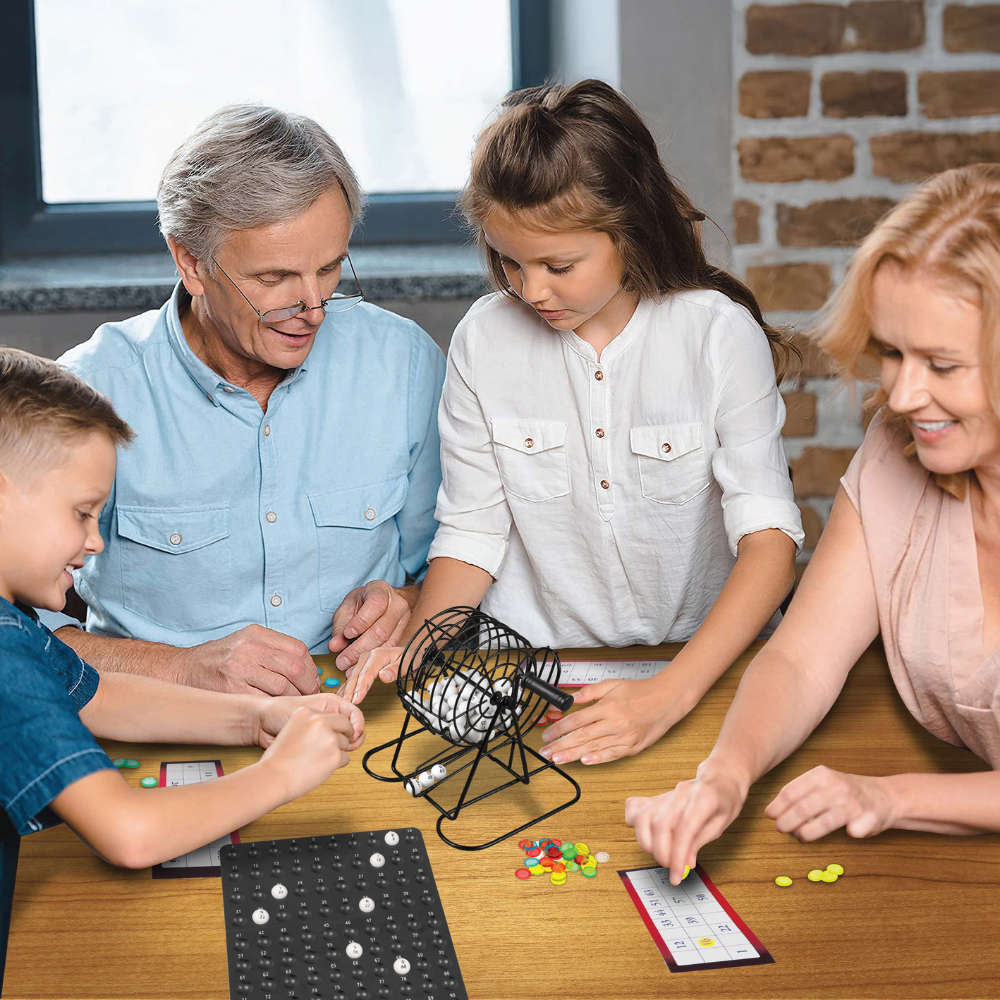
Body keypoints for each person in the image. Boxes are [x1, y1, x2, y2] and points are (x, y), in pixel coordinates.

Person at [343, 79, 803, 766]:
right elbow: (472, 532)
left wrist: (667, 696)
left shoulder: (716, 335)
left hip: (699, 673)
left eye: (559, 265)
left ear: (631, 230)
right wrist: (414, 648)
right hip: (534, 675)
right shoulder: (484, 340)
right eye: (508, 261)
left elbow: (770, 544)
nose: (530, 290)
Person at [624, 163, 1000, 885]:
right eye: (892, 351)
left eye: (943, 365)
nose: (903, 392)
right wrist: (726, 775)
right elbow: (802, 659)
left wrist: (890, 797)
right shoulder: (898, 451)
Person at [45, 105, 445, 696]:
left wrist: (408, 603)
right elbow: (16, 633)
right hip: (161, 725)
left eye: (330, 268)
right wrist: (182, 668)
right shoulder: (90, 391)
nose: (313, 307)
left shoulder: (403, 363)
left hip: (359, 715)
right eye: (273, 278)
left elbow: (458, 561)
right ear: (191, 261)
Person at [0, 349, 364, 978]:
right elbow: (130, 834)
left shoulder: (13, 624)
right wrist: (281, 774)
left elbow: (100, 696)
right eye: (82, 513)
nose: (96, 540)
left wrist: (258, 717)